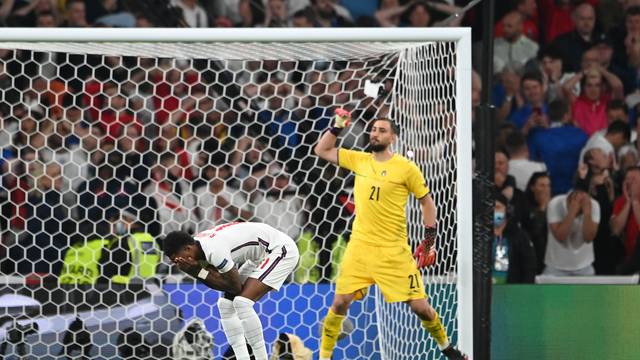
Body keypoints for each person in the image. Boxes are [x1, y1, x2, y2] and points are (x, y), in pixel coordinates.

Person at [313, 109, 466, 360]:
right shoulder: (360, 160)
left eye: (382, 131)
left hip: (393, 250)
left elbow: (427, 204)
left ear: (393, 138)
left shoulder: (406, 168)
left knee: (421, 308)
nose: (375, 134)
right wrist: (338, 126)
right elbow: (322, 150)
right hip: (360, 247)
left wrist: (428, 244)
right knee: (340, 303)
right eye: (373, 130)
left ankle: (448, 349)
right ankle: (324, 357)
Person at [162, 222, 300, 360]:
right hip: (259, 254)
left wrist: (196, 271)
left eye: (178, 259)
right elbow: (215, 278)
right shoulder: (198, 250)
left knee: (242, 303)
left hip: (280, 249)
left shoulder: (213, 250)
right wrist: (197, 271)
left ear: (187, 249)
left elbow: (234, 287)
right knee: (225, 306)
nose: (179, 263)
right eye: (175, 262)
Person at [544, 184, 600, 276]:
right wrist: (572, 212)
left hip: (584, 266)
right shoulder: (555, 204)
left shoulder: (593, 205)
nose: (582, 203)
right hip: (555, 267)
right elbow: (561, 237)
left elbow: (588, 238)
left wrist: (587, 213)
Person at [492, 193, 537, 284]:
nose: (493, 211)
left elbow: (529, 268)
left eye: (497, 207)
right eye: (490, 208)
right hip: (485, 290)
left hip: (513, 290)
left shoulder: (520, 236)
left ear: (507, 210)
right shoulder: (478, 235)